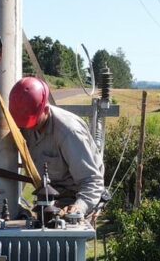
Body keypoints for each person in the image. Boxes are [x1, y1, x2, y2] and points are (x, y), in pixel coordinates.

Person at [8, 77, 105, 217]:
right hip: (49, 197)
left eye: (31, 124)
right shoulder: (23, 120)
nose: (27, 128)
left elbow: (91, 180)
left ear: (45, 110)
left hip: (76, 196)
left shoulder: (68, 133)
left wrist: (79, 207)